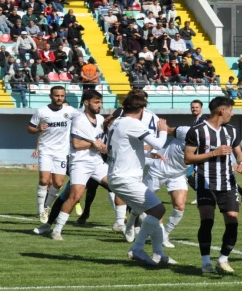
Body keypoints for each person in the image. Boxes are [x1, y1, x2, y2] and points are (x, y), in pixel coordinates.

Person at [106, 89, 173, 266]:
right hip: (125, 178)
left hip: (118, 176)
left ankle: (158, 254)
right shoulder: (132, 124)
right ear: (142, 110)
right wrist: (163, 130)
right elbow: (158, 143)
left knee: (153, 213)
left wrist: (150, 156)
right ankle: (137, 248)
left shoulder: (117, 122)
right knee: (158, 210)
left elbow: (126, 149)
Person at [184, 96, 242, 274]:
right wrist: (213, 153)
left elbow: (238, 153)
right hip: (205, 182)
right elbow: (188, 158)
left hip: (228, 183)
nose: (232, 114)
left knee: (233, 221)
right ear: (222, 111)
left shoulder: (231, 131)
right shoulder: (196, 131)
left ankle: (223, 259)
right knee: (207, 221)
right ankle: (206, 262)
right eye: (231, 110)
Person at [43, 90, 109, 240]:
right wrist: (94, 144)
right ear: (86, 103)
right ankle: (56, 230)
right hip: (80, 163)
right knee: (74, 196)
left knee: (118, 186)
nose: (100, 105)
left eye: (100, 102)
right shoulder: (79, 120)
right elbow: (77, 144)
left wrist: (103, 146)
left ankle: (127, 224)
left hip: (97, 162)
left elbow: (99, 140)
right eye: (96, 102)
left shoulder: (100, 119)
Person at [27, 86, 79, 224]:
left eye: (62, 96)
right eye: (57, 95)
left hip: (62, 152)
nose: (59, 98)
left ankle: (47, 206)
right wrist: (38, 129)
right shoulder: (42, 111)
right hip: (46, 150)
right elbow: (30, 128)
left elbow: (83, 119)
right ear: (51, 96)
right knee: (44, 180)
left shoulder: (70, 111)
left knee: (58, 183)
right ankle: (40, 209)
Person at [146, 125, 191, 249]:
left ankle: (164, 235)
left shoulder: (213, 142)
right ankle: (132, 222)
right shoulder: (186, 131)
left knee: (180, 206)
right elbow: (166, 130)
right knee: (144, 202)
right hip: (159, 169)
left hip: (178, 174)